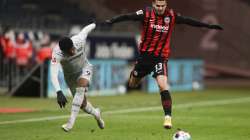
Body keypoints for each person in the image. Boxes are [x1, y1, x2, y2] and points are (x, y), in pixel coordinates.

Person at [105, 0, 223, 129]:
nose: (160, 8)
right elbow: (128, 16)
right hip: (144, 58)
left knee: (162, 85)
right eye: (158, 6)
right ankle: (135, 73)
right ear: (153, 5)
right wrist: (112, 20)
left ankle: (168, 118)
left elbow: (188, 21)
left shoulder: (171, 16)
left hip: (160, 58)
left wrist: (208, 26)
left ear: (166, 6)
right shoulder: (146, 13)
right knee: (133, 83)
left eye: (162, 6)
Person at [51, 22, 105, 132]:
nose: (72, 51)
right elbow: (53, 74)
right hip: (70, 77)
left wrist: (94, 24)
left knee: (81, 88)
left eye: (72, 48)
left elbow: (86, 30)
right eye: (69, 51)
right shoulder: (57, 54)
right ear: (63, 51)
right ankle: (96, 114)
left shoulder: (79, 40)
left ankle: (70, 123)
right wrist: (58, 92)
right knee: (83, 104)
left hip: (85, 68)